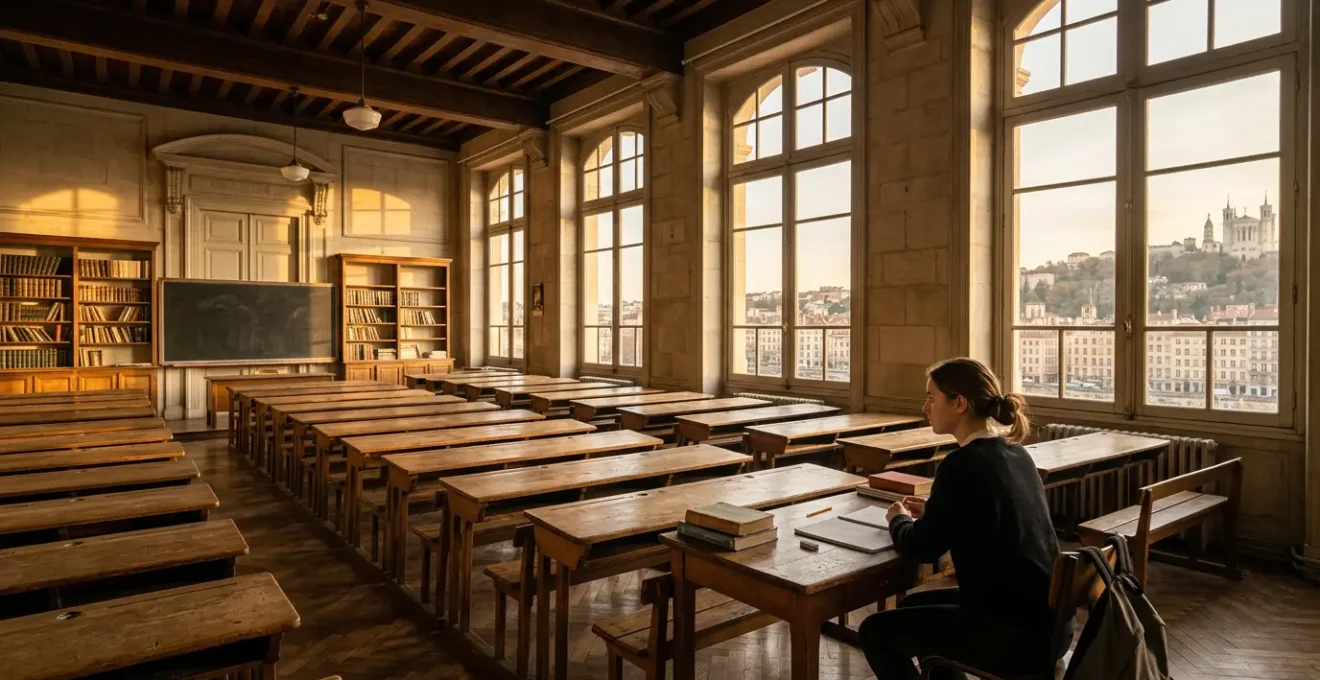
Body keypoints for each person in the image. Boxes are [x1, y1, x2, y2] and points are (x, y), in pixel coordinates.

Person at [857, 357, 1062, 680]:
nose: (926, 407)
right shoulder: (1016, 453)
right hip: (1045, 619)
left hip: (1009, 633)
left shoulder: (961, 464)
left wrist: (897, 519)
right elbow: (991, 514)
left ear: (960, 404)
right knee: (911, 606)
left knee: (874, 632)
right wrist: (938, 511)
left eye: (931, 397)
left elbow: (921, 548)